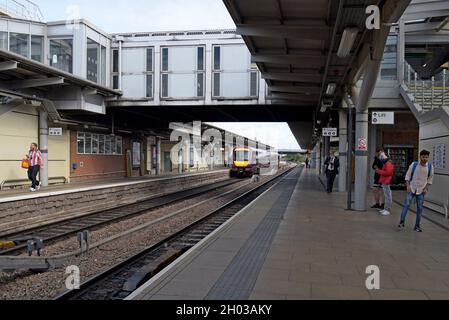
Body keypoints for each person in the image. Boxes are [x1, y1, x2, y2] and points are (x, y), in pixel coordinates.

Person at [398, 150, 434, 232]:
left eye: (426, 157)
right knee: (406, 205)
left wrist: (426, 188)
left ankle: (417, 226)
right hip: (411, 188)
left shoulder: (430, 167)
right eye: (423, 157)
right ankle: (401, 222)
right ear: (420, 157)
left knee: (420, 208)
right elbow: (407, 175)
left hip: (421, 191)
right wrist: (407, 186)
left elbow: (430, 179)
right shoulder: (414, 165)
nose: (425, 158)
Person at [376, 152, 394, 216]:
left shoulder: (388, 163)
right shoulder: (387, 163)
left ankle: (387, 209)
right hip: (385, 181)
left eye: (382, 156)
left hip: (387, 181)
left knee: (388, 195)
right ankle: (386, 208)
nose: (381, 158)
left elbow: (388, 173)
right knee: (386, 195)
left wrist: (379, 171)